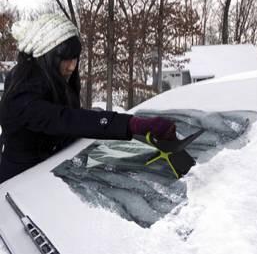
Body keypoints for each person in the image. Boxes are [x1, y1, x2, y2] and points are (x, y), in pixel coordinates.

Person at [0, 14, 176, 183]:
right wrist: (132, 124)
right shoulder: (22, 91)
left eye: (75, 59)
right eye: (65, 59)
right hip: (17, 185)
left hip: (48, 173)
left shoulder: (51, 79)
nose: (72, 66)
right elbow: (63, 120)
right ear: (47, 56)